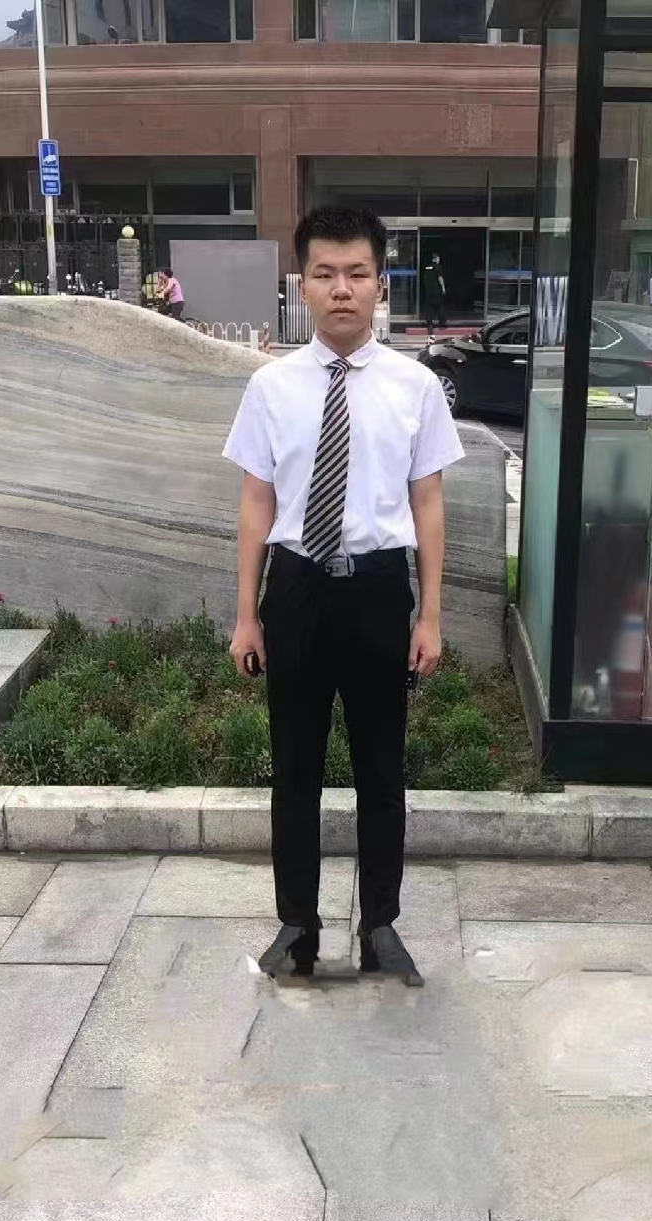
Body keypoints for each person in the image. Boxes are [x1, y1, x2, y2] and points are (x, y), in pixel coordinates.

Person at [223, 206, 464, 986]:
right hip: (296, 590)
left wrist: (430, 614)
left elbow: (428, 503)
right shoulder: (270, 387)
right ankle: (297, 926)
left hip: (378, 593)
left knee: (381, 772)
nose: (341, 289)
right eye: (325, 274)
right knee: (293, 769)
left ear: (380, 285)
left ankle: (381, 926)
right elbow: (256, 502)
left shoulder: (415, 387)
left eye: (357, 273)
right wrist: (246, 614)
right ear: (302, 284)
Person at [422, 253, 447, 335]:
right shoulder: (438, 267)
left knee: (429, 308)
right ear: (435, 259)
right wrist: (443, 288)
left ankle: (429, 324)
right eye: (438, 259)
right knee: (439, 306)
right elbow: (440, 278)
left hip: (428, 291)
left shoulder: (426, 267)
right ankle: (442, 323)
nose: (439, 260)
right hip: (436, 290)